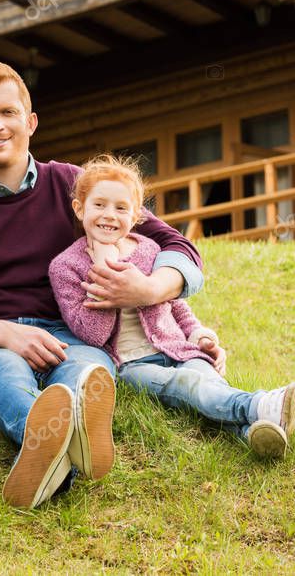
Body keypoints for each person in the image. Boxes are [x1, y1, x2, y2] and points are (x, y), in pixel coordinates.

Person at [0, 61, 205, 509]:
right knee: (5, 374)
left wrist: (151, 290)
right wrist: (7, 333)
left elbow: (172, 242)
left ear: (30, 122)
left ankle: (55, 456)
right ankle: (53, 436)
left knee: (89, 371)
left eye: (8, 112)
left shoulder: (76, 186)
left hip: (71, 334)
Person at [49, 154, 295, 458]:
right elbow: (94, 335)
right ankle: (260, 405)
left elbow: (174, 305)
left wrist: (198, 335)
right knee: (186, 384)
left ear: (137, 215)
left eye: (121, 208)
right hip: (130, 366)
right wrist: (105, 268)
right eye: (99, 205)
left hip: (176, 349)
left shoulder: (150, 249)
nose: (109, 215)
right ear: (79, 208)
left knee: (204, 378)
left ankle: (250, 434)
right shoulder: (66, 267)